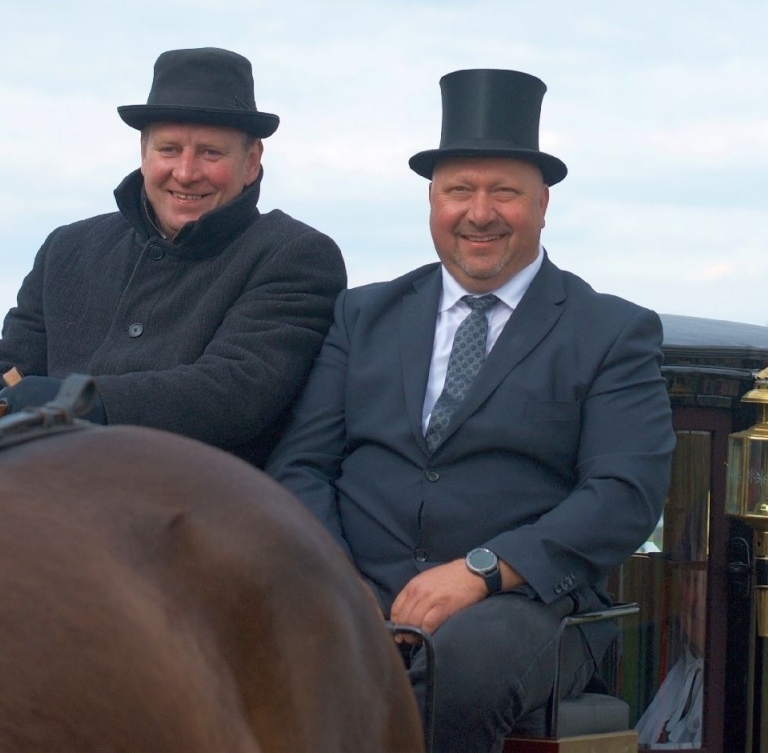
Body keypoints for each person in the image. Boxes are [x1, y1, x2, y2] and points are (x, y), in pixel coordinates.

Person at [268, 68, 674, 753]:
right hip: (358, 586)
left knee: (461, 661)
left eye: (504, 192)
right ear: (432, 201)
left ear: (543, 203)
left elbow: (622, 496)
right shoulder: (361, 314)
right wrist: (344, 586)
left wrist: (481, 570)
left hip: (527, 608)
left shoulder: (610, 331)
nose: (479, 212)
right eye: (459, 190)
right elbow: (301, 465)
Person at [0, 47, 346, 467]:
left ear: (251, 162)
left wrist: (82, 402)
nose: (187, 172)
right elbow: (8, 359)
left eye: (210, 153)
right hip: (46, 489)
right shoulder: (67, 249)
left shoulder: (296, 255)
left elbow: (236, 392)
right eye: (169, 150)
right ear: (144, 153)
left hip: (202, 509)